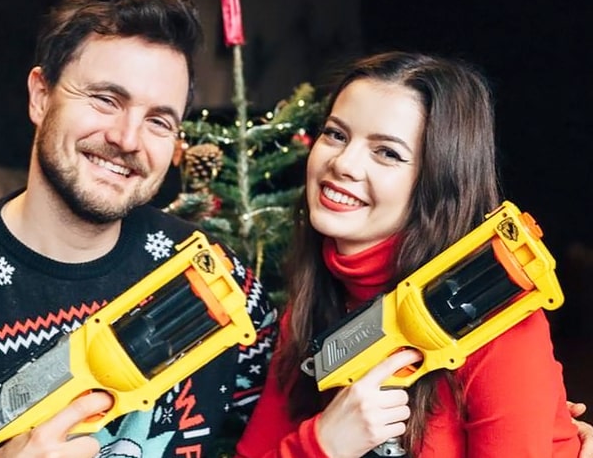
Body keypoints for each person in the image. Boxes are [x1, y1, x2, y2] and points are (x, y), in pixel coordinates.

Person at [0, 0, 276, 458]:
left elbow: (287, 431)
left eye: (159, 121)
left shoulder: (212, 280)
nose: (128, 139)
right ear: (41, 96)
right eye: (105, 99)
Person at [235, 51, 587, 457]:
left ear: (438, 183)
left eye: (387, 152)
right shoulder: (310, 306)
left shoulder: (494, 321)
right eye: (336, 134)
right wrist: (323, 444)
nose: (343, 163)